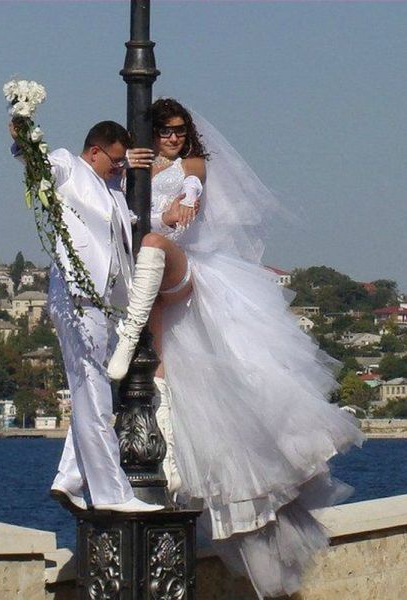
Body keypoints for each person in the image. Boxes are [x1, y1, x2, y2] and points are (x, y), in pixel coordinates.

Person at [107, 99, 365, 597]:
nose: (174, 138)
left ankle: (128, 342)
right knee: (196, 401)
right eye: (165, 131)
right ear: (151, 132)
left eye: (180, 130)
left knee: (156, 253)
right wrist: (127, 170)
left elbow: (192, 188)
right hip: (148, 286)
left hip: (185, 268)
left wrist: (184, 202)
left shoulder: (191, 165)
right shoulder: (136, 168)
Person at [10, 119, 162, 513]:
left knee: (94, 392)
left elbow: (125, 226)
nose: (119, 167)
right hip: (78, 299)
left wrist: (129, 167)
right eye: (115, 160)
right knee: (94, 396)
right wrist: (25, 139)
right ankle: (113, 495)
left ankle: (70, 477)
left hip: (108, 303)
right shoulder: (69, 168)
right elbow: (41, 165)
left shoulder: (112, 188)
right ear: (95, 151)